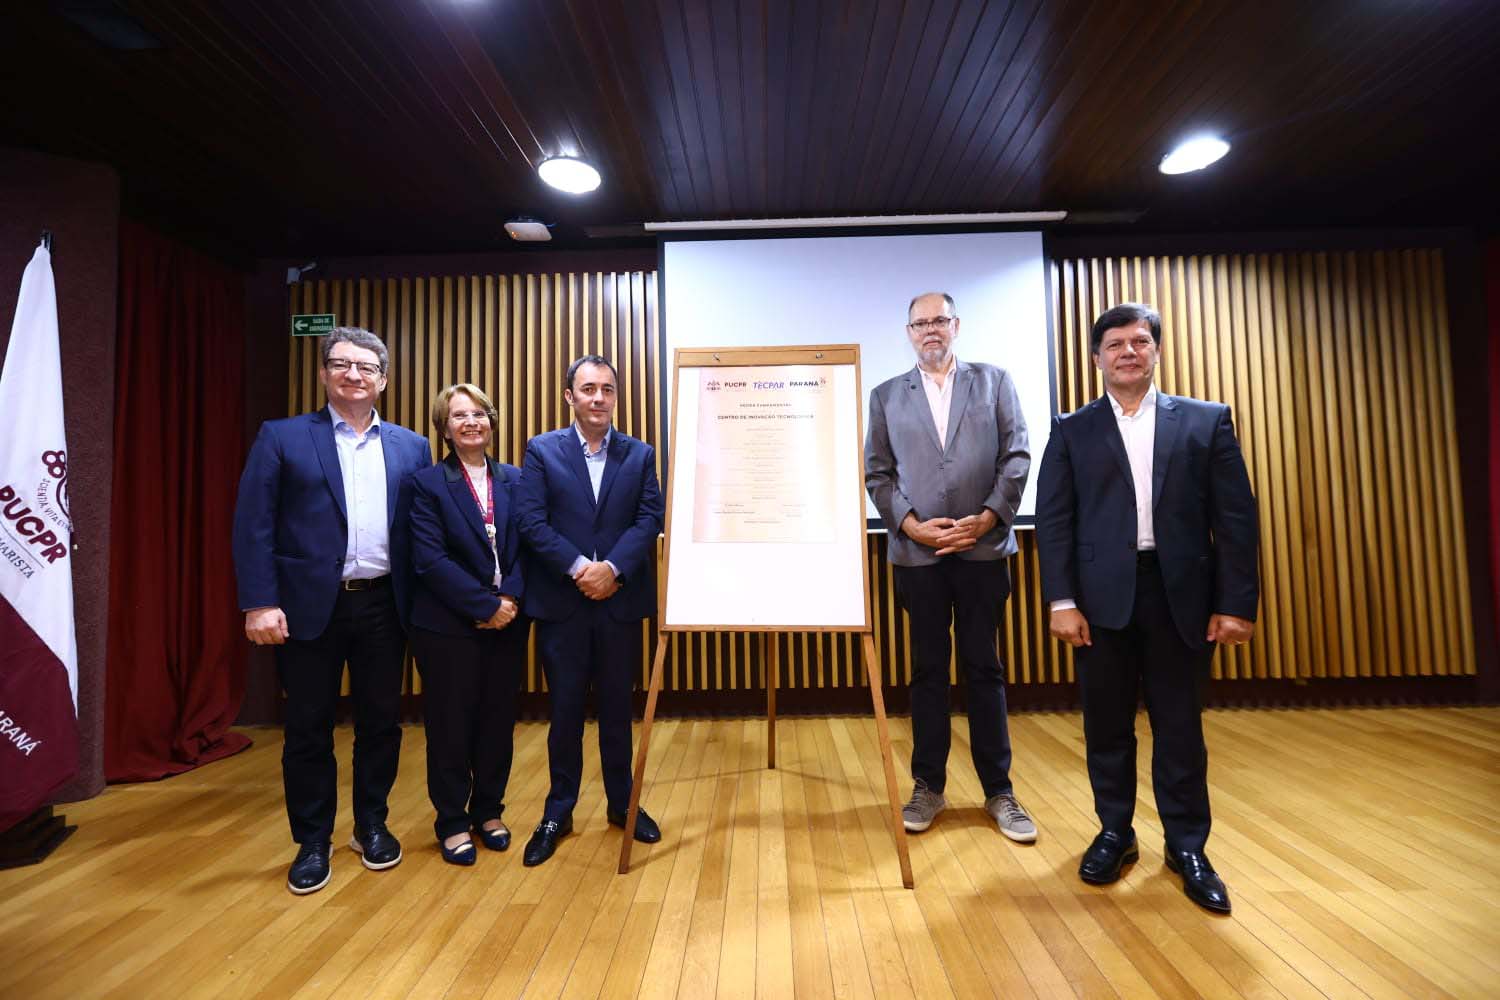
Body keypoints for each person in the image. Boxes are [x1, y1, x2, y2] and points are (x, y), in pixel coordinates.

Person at [1035, 302, 1258, 914]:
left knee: (1180, 727)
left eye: (1139, 341)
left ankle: (1187, 846)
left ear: (1156, 350)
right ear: (1097, 357)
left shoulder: (1206, 422)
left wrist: (1236, 603)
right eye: (1115, 344)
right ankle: (1116, 832)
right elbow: (1055, 523)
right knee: (1106, 726)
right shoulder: (1072, 429)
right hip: (1099, 602)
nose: (1128, 351)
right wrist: (1061, 600)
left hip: (1180, 597)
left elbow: (1235, 519)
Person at [233, 327, 432, 894]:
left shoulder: (410, 446)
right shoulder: (283, 437)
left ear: (384, 381)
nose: (354, 375)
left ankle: (371, 824)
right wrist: (259, 602)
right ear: (323, 373)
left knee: (381, 725)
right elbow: (254, 526)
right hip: (305, 610)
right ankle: (312, 840)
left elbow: (418, 532)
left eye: (366, 367)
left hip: (383, 607)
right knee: (307, 728)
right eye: (342, 364)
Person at [865, 291, 1037, 842]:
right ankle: (928, 787)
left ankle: (999, 792)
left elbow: (1017, 456)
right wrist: (910, 524)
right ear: (909, 331)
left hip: (983, 550)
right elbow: (878, 473)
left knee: (984, 668)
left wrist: (987, 518)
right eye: (920, 323)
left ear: (956, 325)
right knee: (927, 671)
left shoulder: (995, 382)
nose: (931, 330)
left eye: (940, 320)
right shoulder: (887, 395)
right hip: (918, 554)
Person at [513, 355, 664, 866]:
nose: (598, 397)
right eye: (588, 389)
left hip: (619, 603)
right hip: (564, 603)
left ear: (616, 397)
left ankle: (622, 804)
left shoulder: (639, 454)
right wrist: (581, 567)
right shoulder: (542, 451)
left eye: (607, 389)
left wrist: (614, 569)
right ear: (569, 397)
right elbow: (531, 521)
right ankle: (559, 810)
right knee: (565, 711)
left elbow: (649, 518)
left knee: (619, 711)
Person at [407, 384, 527, 866]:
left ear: (492, 422)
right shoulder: (427, 484)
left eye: (479, 414)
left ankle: (489, 811)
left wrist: (509, 599)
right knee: (451, 725)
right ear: (445, 428)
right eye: (459, 416)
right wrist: (483, 605)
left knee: (497, 722)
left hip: (509, 620)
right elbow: (430, 561)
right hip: (449, 626)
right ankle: (453, 821)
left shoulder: (518, 480)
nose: (471, 422)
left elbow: (529, 546)